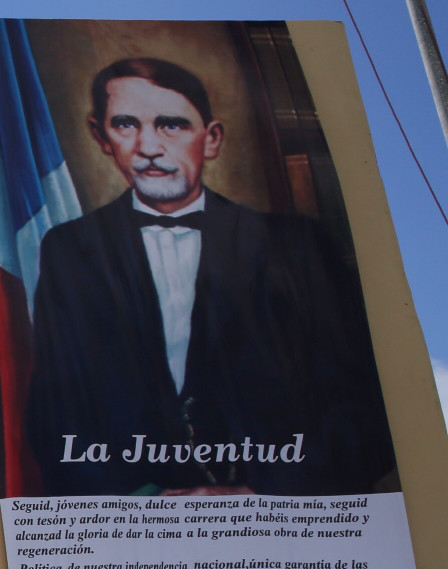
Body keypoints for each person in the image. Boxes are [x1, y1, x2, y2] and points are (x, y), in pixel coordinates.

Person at [26, 57, 395, 497]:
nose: (148, 147)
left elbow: (364, 408)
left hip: (283, 519)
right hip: (138, 526)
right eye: (126, 124)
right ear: (101, 135)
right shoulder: (69, 251)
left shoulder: (298, 247)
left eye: (171, 125)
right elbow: (57, 412)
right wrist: (143, 502)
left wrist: (263, 494)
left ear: (212, 138)